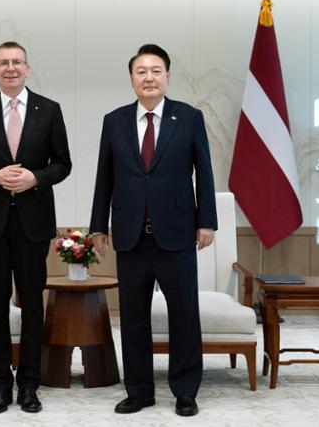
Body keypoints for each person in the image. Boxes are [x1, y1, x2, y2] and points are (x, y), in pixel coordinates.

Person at [89, 44, 217, 417]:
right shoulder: (114, 121)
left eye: (156, 70)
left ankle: (185, 391)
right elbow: (104, 178)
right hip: (130, 236)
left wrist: (206, 220)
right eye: (141, 71)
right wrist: (99, 226)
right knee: (132, 318)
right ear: (132, 79)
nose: (149, 77)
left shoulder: (189, 118)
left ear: (168, 77)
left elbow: (204, 172)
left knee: (184, 315)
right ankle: (140, 390)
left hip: (176, 234)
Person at [0, 41, 72, 414]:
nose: (10, 68)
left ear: (28, 68)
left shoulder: (49, 110)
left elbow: (63, 164)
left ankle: (30, 386)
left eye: (17, 62)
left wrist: (35, 178)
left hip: (34, 224)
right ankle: (1, 385)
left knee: (33, 305)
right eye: (3, 63)